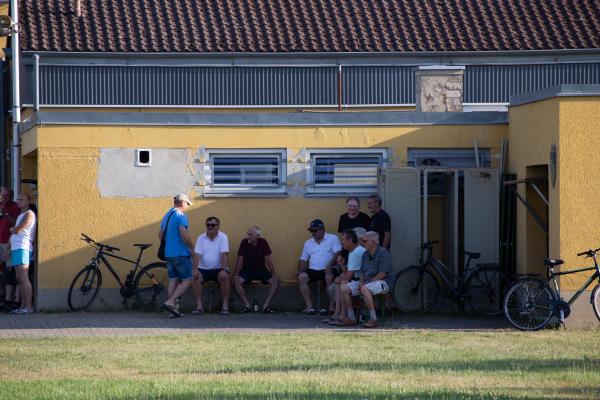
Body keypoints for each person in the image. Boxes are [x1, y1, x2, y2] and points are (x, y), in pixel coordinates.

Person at [339, 231, 392, 328]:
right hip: (368, 282)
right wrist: (361, 282)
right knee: (344, 288)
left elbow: (383, 273)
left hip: (384, 282)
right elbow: (363, 273)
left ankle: (373, 318)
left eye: (364, 241)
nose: (362, 243)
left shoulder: (383, 253)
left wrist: (367, 283)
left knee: (365, 288)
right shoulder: (365, 254)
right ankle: (351, 318)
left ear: (374, 241)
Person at [160, 194, 195, 318]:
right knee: (188, 280)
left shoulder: (166, 216)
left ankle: (172, 310)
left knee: (173, 281)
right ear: (182, 203)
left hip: (168, 253)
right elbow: (184, 234)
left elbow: (160, 235)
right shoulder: (181, 216)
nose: (187, 207)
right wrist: (192, 247)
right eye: (187, 204)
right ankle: (170, 302)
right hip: (180, 254)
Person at [297, 219, 341, 315]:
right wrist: (301, 271)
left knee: (329, 277)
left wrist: (329, 266)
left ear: (321, 229)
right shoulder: (308, 242)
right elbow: (303, 259)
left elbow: (338, 253)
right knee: (301, 277)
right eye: (311, 231)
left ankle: (332, 306)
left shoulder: (332, 238)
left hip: (330, 268)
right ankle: (309, 307)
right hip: (313, 269)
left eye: (314, 230)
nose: (312, 233)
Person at [325, 228, 367, 326]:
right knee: (340, 282)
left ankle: (342, 315)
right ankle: (339, 314)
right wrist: (342, 265)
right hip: (356, 279)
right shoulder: (353, 251)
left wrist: (340, 278)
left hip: (363, 281)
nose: (341, 243)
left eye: (343, 240)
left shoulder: (357, 252)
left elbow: (348, 276)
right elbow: (348, 272)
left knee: (342, 282)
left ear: (350, 240)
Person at [233, 226, 280, 313]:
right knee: (236, 281)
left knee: (276, 281)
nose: (248, 236)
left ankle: (266, 305)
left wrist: (274, 274)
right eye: (247, 234)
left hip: (261, 271)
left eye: (250, 234)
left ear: (257, 236)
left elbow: (268, 260)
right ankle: (247, 305)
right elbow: (240, 259)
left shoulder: (263, 242)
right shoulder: (244, 242)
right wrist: (236, 274)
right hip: (247, 271)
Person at [192, 216, 231, 315]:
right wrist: (195, 269)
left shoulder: (223, 237)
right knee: (195, 277)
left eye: (212, 225)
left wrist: (223, 269)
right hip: (203, 269)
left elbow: (224, 254)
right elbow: (197, 255)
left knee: (225, 277)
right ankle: (199, 306)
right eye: (208, 225)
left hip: (218, 268)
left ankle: (225, 306)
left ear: (218, 226)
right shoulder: (201, 237)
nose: (210, 227)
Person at [7, 193, 36, 314]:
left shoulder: (29, 214)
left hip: (23, 248)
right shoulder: (21, 215)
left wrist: (13, 229)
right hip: (16, 248)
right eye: (18, 199)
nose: (18, 201)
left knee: (24, 278)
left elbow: (17, 230)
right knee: (19, 278)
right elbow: (13, 233)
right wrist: (8, 248)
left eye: (21, 199)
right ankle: (23, 306)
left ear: (28, 201)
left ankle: (28, 307)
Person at [0, 187, 20, 311]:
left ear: (11, 197)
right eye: (2, 195)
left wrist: (7, 214)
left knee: (9, 271)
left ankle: (9, 299)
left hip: (9, 243)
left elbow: (17, 224)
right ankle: (1, 297)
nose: (4, 198)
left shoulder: (15, 207)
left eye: (6, 196)